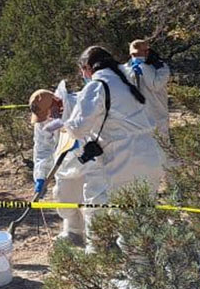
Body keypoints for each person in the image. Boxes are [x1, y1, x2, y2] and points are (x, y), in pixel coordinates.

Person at [64, 46, 167, 252]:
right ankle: (152, 273)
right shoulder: (123, 80)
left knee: (128, 221)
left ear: (87, 68)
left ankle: (136, 279)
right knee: (144, 217)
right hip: (151, 154)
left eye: (82, 71)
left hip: (127, 160)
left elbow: (78, 127)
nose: (83, 75)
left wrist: (64, 123)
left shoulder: (96, 86)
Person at [31, 83, 89, 245]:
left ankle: (99, 238)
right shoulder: (42, 123)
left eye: (47, 114)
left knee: (94, 203)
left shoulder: (81, 103)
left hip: (91, 162)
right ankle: (73, 232)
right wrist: (40, 177)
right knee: (64, 197)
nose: (45, 120)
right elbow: (42, 149)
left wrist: (80, 144)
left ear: (57, 102)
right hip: (64, 166)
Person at [126, 39, 172, 143]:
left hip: (157, 115)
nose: (136, 57)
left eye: (139, 54)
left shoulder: (160, 67)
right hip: (137, 118)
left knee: (162, 148)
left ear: (148, 52)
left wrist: (143, 68)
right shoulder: (127, 68)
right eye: (134, 55)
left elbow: (155, 85)